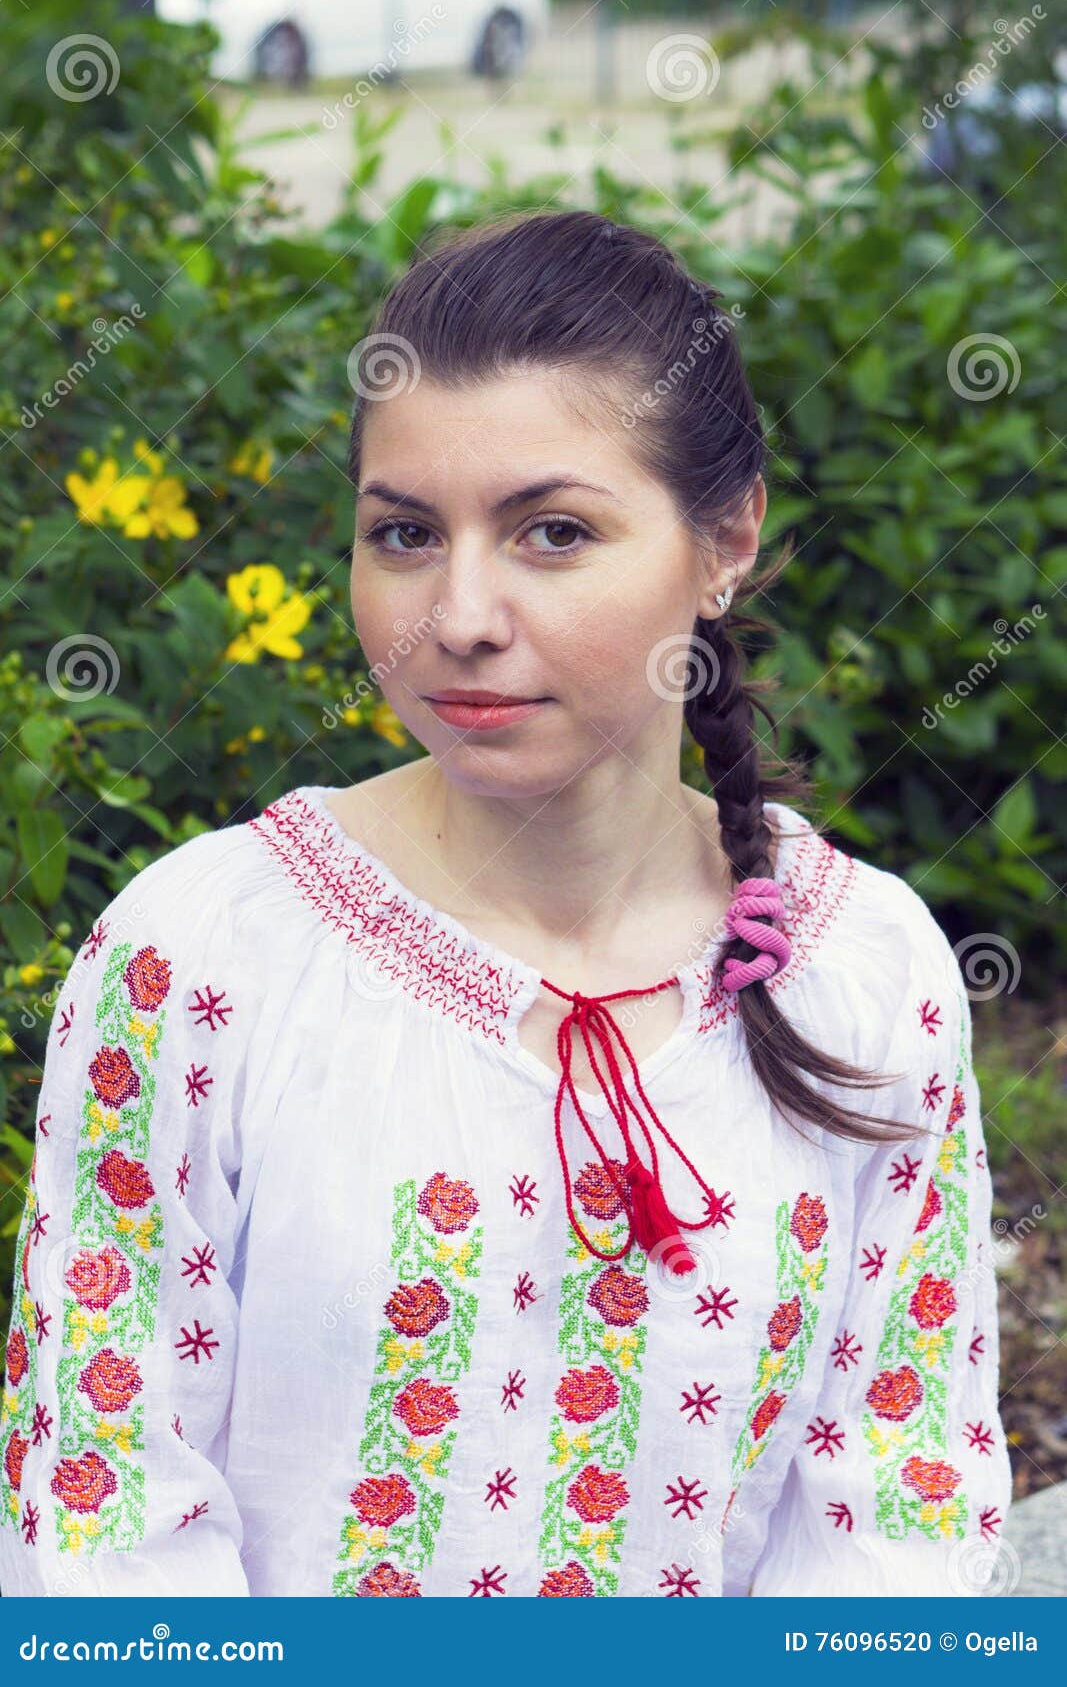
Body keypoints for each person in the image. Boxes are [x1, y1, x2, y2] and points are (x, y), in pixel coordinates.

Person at [0, 209, 1012, 1598]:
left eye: (551, 530)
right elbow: (102, 1511)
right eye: (405, 532)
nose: (457, 614)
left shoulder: (870, 973)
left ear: (724, 541)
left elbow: (897, 1520)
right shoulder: (199, 961)